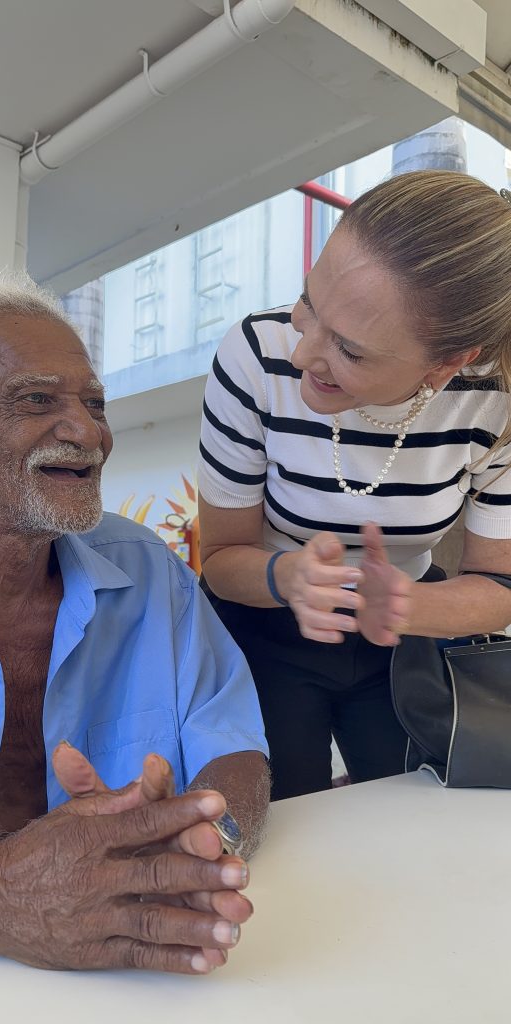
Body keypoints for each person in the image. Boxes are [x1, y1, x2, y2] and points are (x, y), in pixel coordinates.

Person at [0, 272, 270, 972]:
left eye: (95, 404)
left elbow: (233, 741)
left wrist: (205, 843)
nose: (88, 432)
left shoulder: (150, 573)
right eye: (36, 399)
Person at [198, 170, 511, 801]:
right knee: (279, 815)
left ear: (447, 363)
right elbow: (222, 557)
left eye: (349, 349)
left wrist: (405, 607)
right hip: (261, 622)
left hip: (407, 639)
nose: (301, 354)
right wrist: (288, 578)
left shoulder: (495, 401)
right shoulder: (255, 356)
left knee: (411, 812)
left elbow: (499, 585)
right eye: (308, 302)